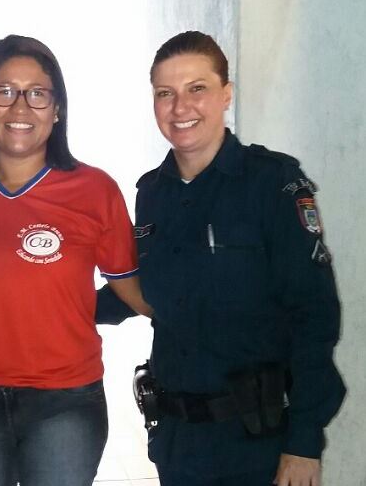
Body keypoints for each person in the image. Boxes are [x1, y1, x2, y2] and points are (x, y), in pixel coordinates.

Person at [129, 30, 345, 485]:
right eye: (165, 93)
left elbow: (314, 313)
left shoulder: (272, 183)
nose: (180, 107)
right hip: (177, 445)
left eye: (197, 88)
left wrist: (303, 443)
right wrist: (49, 303)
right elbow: (142, 288)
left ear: (226, 94)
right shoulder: (151, 194)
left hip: (257, 448)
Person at [0, 35, 151, 486]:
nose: (20, 107)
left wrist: (205, 315)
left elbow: (131, 289)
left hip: (65, 402)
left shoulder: (94, 190)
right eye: (4, 91)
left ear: (57, 110)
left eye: (37, 93)